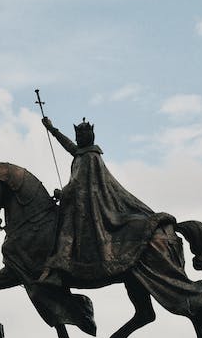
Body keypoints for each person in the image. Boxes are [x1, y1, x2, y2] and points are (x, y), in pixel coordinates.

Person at [39, 117, 169, 287]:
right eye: (77, 136)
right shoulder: (84, 153)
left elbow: (77, 183)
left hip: (90, 205)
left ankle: (59, 269)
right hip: (85, 202)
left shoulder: (89, 157)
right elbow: (70, 147)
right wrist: (52, 129)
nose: (77, 140)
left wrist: (61, 193)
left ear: (89, 137)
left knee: (66, 229)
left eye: (80, 137)